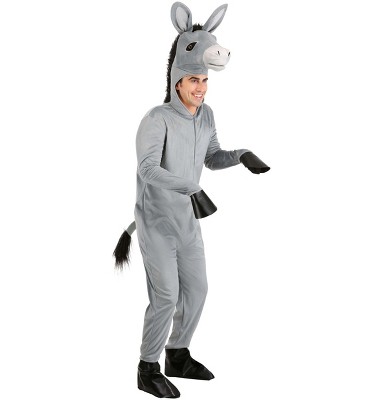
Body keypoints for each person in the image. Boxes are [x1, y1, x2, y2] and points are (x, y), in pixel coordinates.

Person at [113, 3, 270, 398]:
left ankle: (178, 355)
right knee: (166, 296)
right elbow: (148, 170)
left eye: (204, 80)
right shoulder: (157, 119)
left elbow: (212, 158)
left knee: (197, 291)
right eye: (193, 80)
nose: (200, 87)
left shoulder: (206, 115)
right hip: (156, 223)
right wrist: (191, 187)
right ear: (177, 81)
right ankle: (147, 368)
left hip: (187, 221)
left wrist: (241, 156)